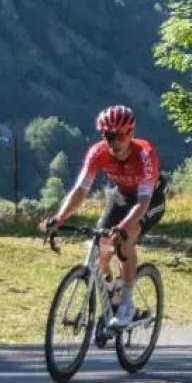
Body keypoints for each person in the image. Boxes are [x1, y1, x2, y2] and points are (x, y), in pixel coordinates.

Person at [42, 106, 166, 328]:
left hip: (148, 200)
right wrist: (59, 218)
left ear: (131, 133)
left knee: (125, 239)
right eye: (108, 136)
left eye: (119, 136)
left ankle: (126, 303)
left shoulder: (145, 154)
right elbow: (81, 190)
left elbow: (143, 203)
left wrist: (124, 227)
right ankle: (112, 294)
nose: (114, 142)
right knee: (100, 248)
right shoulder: (98, 153)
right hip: (121, 196)